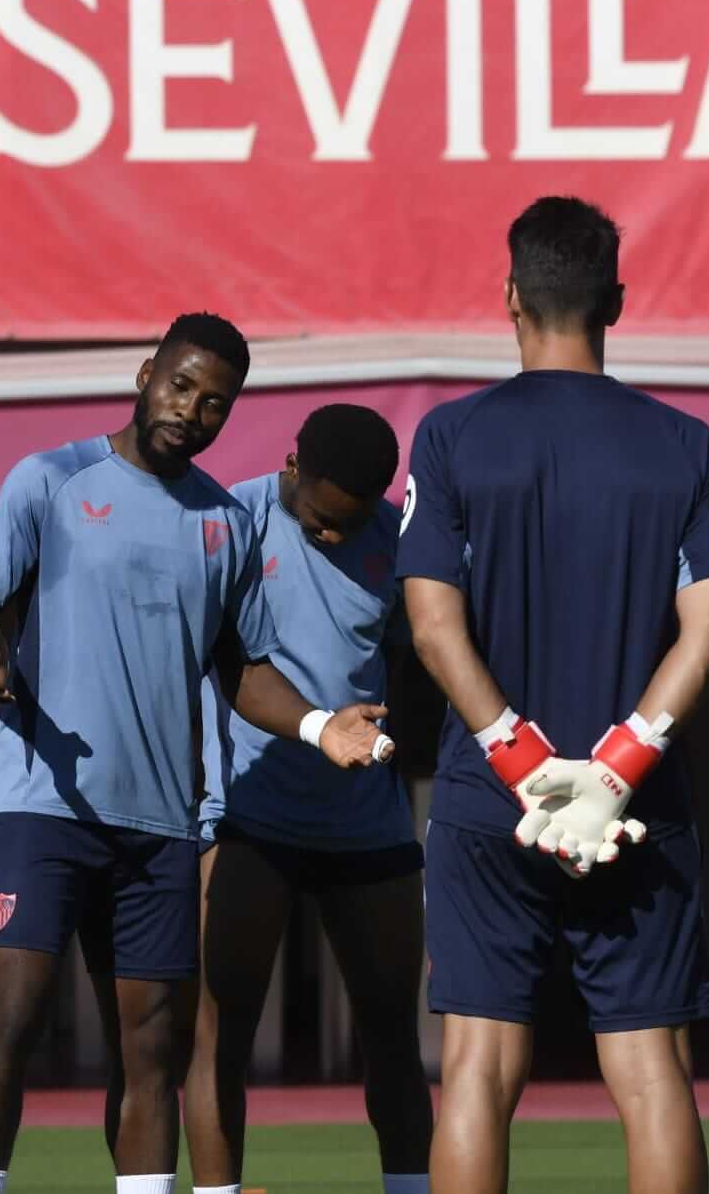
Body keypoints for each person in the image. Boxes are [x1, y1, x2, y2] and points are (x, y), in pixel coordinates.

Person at [0, 314, 393, 1194]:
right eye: (182, 385)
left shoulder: (226, 521)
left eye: (215, 402)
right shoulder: (50, 479)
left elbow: (243, 669)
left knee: (153, 1049)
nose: (192, 410)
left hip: (162, 830)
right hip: (45, 807)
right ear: (148, 372)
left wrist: (317, 725)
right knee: (12, 1022)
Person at [399, 196, 709, 1194]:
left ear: (509, 295)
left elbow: (431, 628)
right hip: (637, 808)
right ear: (616, 302)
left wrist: (521, 763)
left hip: (485, 803)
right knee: (650, 1073)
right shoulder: (686, 445)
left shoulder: (450, 436)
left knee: (474, 1065)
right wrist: (613, 770)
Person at [184, 402, 433, 1194]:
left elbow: (412, 671)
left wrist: (398, 744)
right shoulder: (231, 520)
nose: (332, 538)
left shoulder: (396, 542)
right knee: (220, 1034)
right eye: (320, 521)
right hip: (250, 816)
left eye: (348, 525)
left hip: (367, 823)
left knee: (394, 1031)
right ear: (292, 466)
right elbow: (221, 663)